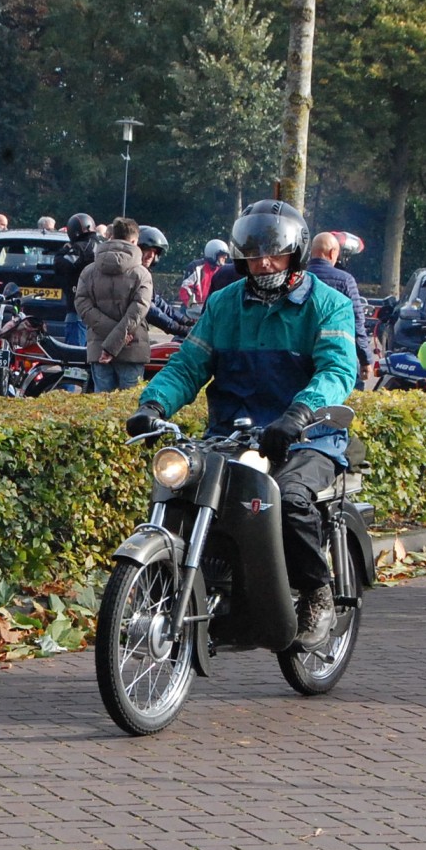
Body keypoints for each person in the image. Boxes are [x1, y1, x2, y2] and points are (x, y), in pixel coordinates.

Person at [127, 200, 358, 649]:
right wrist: (153, 405)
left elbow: (337, 371)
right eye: (254, 254)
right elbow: (188, 365)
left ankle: (317, 593)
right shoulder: (224, 303)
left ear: (297, 253)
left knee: (288, 499)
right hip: (231, 434)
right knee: (182, 492)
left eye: (275, 254)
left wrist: (299, 413)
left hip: (308, 436)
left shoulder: (329, 305)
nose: (264, 263)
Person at [75, 217, 153, 391]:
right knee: (130, 404)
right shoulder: (142, 274)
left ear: (111, 236)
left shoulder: (88, 271)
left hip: (98, 348)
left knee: (102, 404)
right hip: (132, 349)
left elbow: (81, 304)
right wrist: (119, 338)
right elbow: (138, 310)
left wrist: (109, 338)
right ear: (134, 241)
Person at [305, 231, 372, 387]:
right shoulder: (345, 280)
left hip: (301, 356)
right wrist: (365, 360)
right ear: (332, 253)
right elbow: (356, 321)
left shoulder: (298, 278)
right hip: (336, 353)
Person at [136, 226, 195, 337]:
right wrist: (180, 328)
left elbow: (156, 301)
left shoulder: (143, 272)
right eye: (147, 250)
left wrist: (185, 320)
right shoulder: (133, 274)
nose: (151, 255)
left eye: (154, 252)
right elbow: (149, 309)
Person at [55, 212, 98, 346]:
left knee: (74, 352)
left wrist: (62, 252)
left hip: (78, 306)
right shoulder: (102, 246)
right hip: (100, 308)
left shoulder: (79, 248)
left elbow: (61, 264)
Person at [178, 239, 229, 307]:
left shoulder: (224, 270)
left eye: (226, 254)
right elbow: (185, 289)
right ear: (212, 254)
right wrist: (193, 306)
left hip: (214, 308)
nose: (225, 257)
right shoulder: (196, 267)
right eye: (222, 254)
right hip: (194, 309)